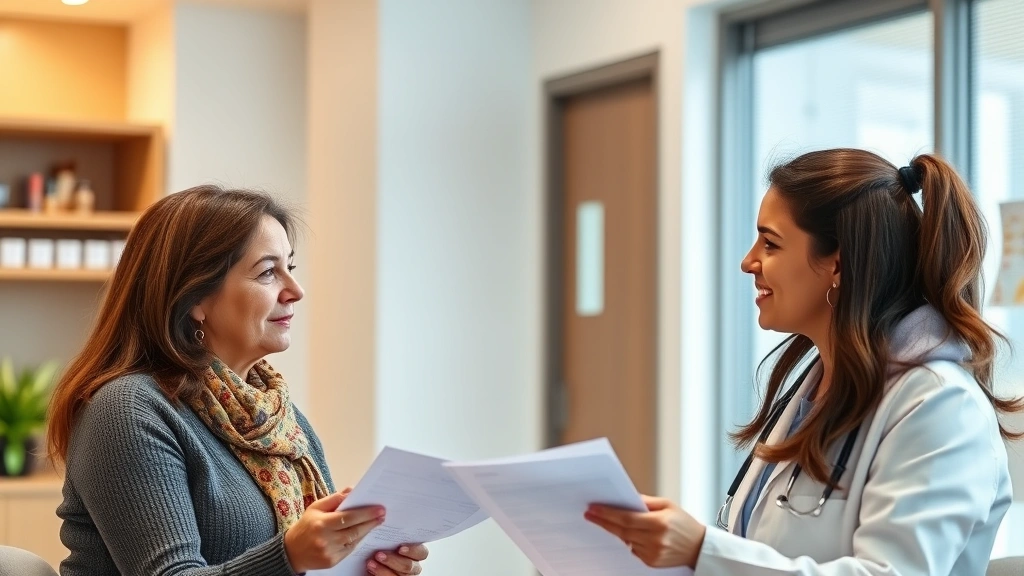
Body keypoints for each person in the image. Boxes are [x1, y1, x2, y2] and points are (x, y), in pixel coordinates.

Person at [585, 149, 1022, 574]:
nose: (748, 261)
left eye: (770, 243)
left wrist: (703, 551)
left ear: (838, 262)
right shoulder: (814, 390)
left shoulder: (941, 407)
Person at [47, 186, 428, 576]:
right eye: (267, 272)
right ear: (194, 297)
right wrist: (290, 556)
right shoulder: (127, 410)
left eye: (290, 268)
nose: (295, 291)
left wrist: (366, 565)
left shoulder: (281, 421)